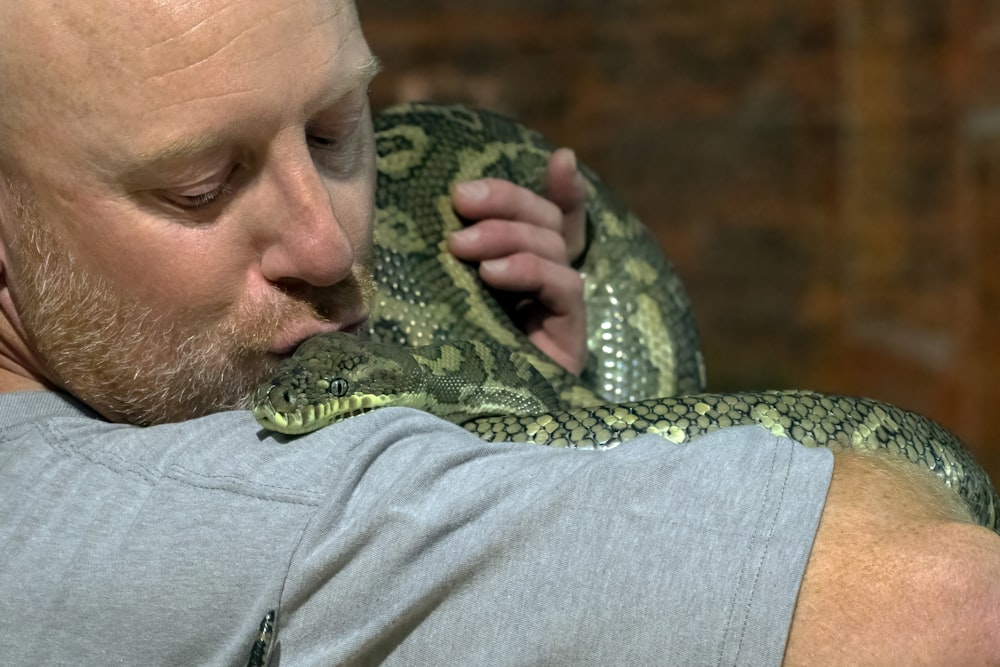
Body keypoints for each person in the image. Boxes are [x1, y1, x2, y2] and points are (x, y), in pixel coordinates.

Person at [0, 0, 996, 664]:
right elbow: (952, 607)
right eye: (201, 184)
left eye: (337, 129)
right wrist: (547, 436)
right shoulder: (211, 519)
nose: (329, 242)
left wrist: (531, 390)